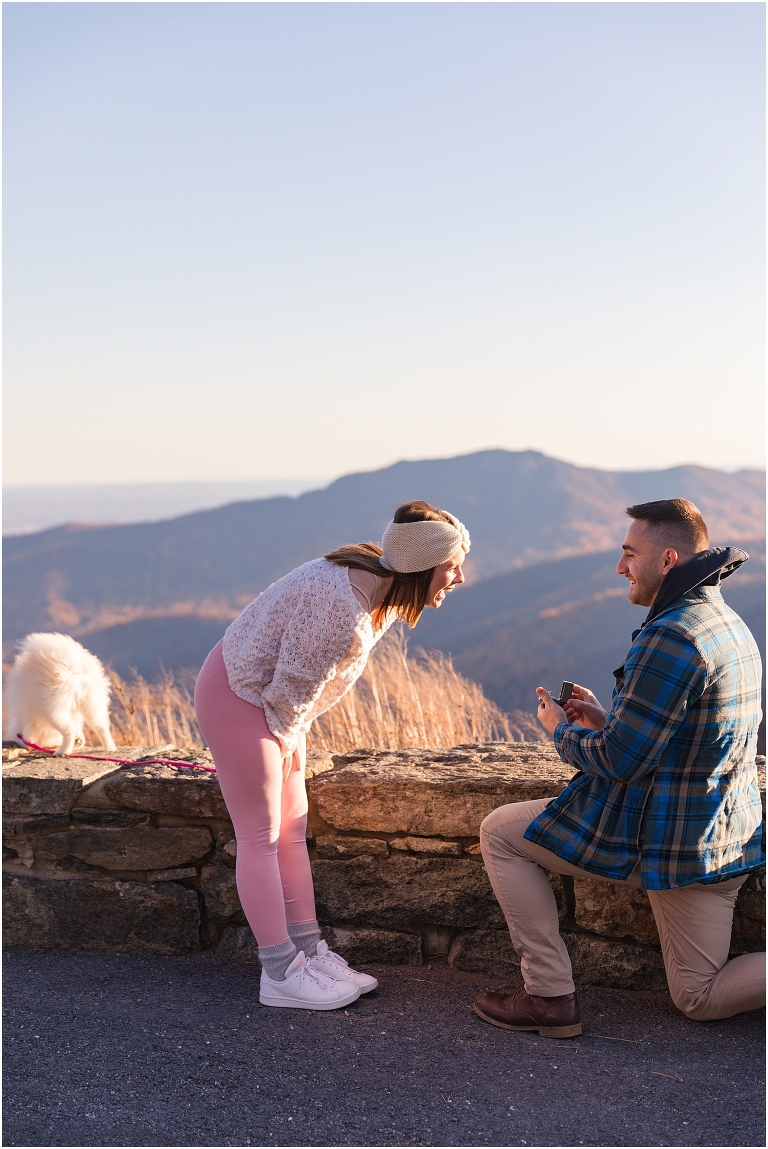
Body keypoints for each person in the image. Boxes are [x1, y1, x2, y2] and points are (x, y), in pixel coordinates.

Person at [474, 498, 764, 1039]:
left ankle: (550, 997)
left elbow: (618, 762)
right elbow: (684, 735)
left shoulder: (671, 635)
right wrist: (608, 719)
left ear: (668, 559)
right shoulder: (725, 621)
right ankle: (549, 999)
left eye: (629, 554)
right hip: (729, 835)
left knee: (501, 834)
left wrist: (560, 730)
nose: (619, 566)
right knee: (694, 994)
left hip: (680, 847)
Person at [194, 500, 469, 1010]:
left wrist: (290, 737)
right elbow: (287, 689)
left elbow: (295, 689)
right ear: (423, 565)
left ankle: (307, 951)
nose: (459, 577)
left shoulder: (376, 584)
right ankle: (279, 973)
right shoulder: (342, 608)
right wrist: (283, 743)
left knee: (292, 830)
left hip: (269, 703)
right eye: (452, 565)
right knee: (261, 835)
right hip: (239, 696)